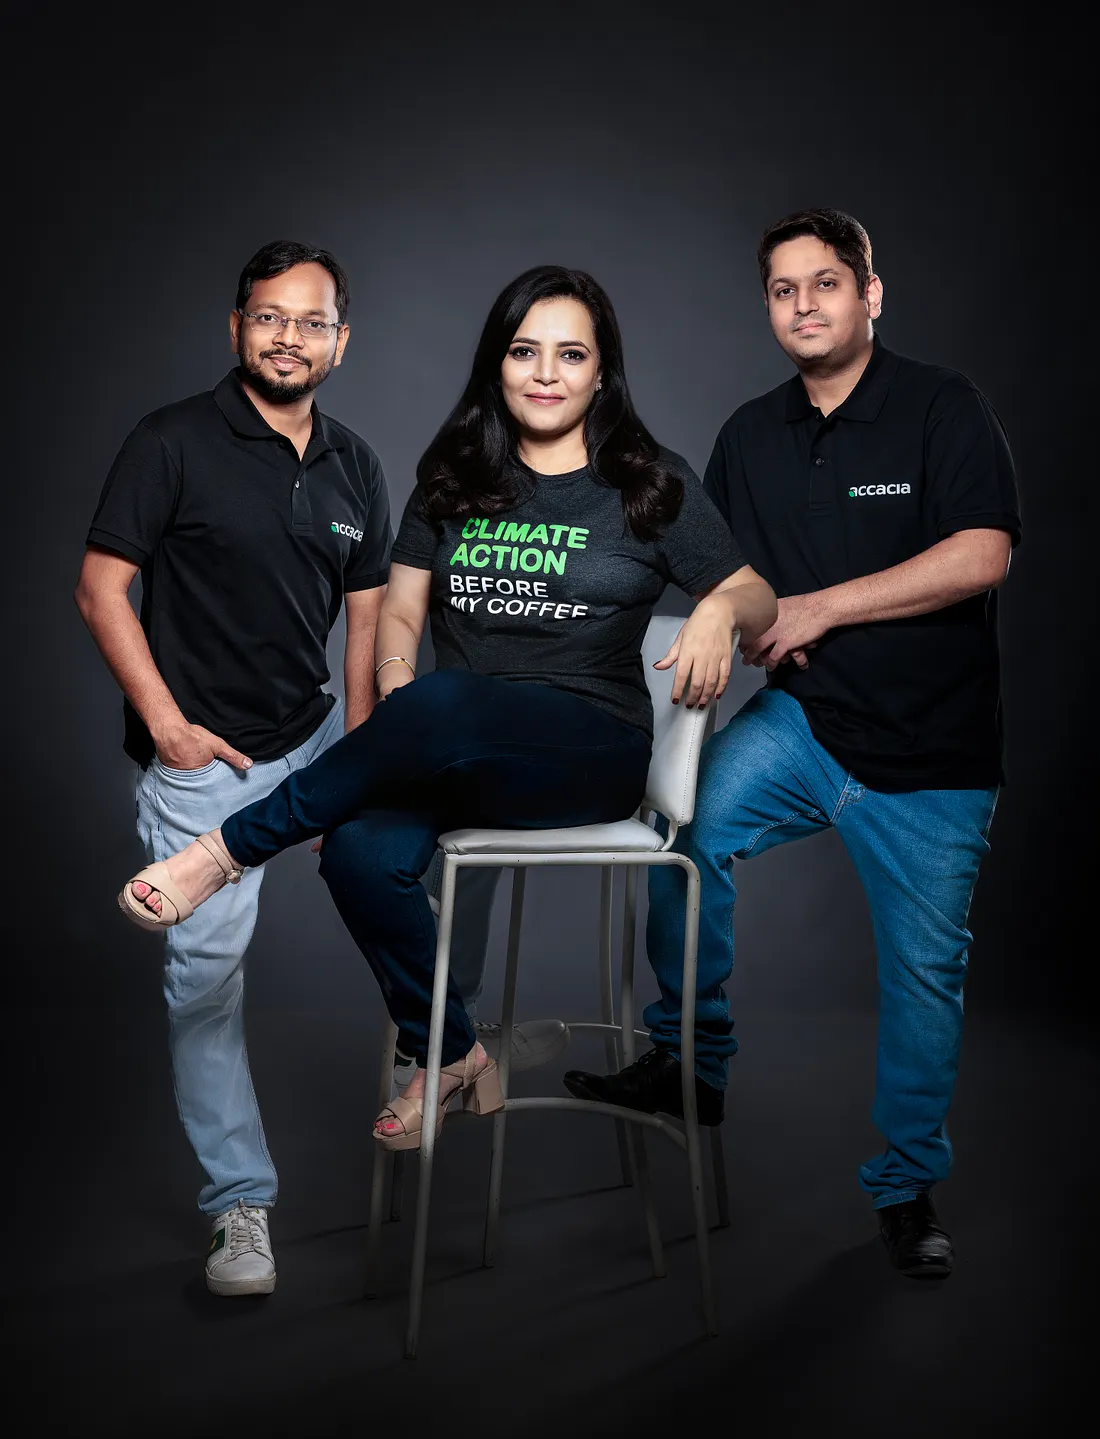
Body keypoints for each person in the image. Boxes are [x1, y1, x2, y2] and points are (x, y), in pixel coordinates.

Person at [114, 263, 778, 1159]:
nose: (546, 373)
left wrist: (717, 610)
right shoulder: (454, 475)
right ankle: (455, 1051)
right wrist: (396, 682)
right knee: (357, 850)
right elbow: (399, 611)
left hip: (587, 752)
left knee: (448, 697)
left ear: (601, 371)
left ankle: (224, 850)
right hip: (450, 745)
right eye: (524, 351)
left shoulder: (648, 481)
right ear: (497, 364)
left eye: (571, 354)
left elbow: (757, 594)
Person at [76, 242, 555, 1300]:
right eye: (268, 316)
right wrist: (167, 726)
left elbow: (367, 625)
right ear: (236, 327)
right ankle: (238, 1205)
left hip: (315, 739)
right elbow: (102, 587)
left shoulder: (354, 464)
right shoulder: (171, 440)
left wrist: (360, 750)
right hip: (205, 759)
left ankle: (444, 1047)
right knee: (206, 984)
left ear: (342, 340)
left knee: (412, 858)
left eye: (310, 321)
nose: (288, 337)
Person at [564, 209, 1020, 1280]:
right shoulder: (749, 434)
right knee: (684, 830)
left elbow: (982, 554)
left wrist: (818, 608)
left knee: (923, 978)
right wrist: (724, 616)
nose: (804, 305)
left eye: (825, 283)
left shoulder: (940, 405)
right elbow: (720, 575)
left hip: (934, 753)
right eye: (783, 289)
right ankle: (691, 1060)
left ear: (870, 293)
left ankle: (905, 1187)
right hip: (806, 725)